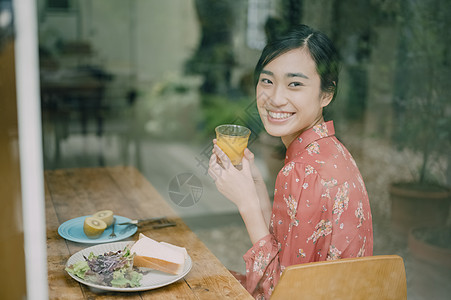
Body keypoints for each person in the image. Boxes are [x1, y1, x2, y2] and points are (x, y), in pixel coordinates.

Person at [208, 24, 373, 299]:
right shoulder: (331, 150)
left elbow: (281, 292)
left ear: (326, 94)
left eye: (295, 84)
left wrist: (246, 205)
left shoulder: (302, 170)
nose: (275, 98)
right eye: (267, 81)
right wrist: (257, 187)